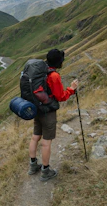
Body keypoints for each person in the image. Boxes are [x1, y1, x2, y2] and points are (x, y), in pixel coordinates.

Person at [28, 49, 78, 181]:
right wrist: (71, 90)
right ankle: (45, 171)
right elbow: (60, 96)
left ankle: (33, 166)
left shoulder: (40, 70)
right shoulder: (54, 76)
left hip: (36, 108)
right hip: (48, 111)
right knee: (46, 142)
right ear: (59, 62)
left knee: (35, 137)